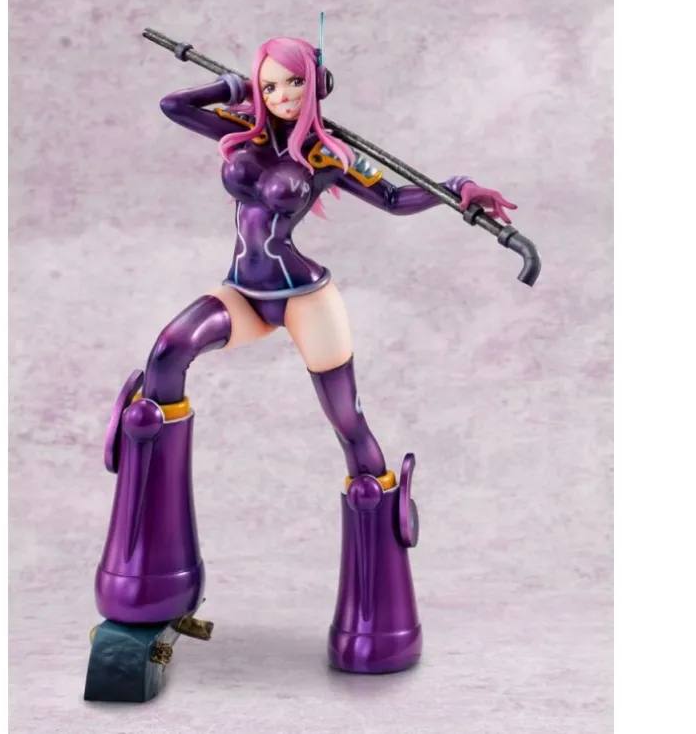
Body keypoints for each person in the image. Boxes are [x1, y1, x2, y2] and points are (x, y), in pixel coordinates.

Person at [94, 36, 517, 675]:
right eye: (270, 85)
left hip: (304, 297)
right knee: (166, 358)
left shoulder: (326, 154)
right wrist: (233, 89)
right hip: (244, 292)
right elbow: (174, 104)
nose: (282, 96)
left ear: (318, 85)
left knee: (349, 427)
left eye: (294, 84)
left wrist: (457, 189)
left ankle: (379, 614)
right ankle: (150, 572)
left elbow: (395, 197)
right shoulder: (241, 129)